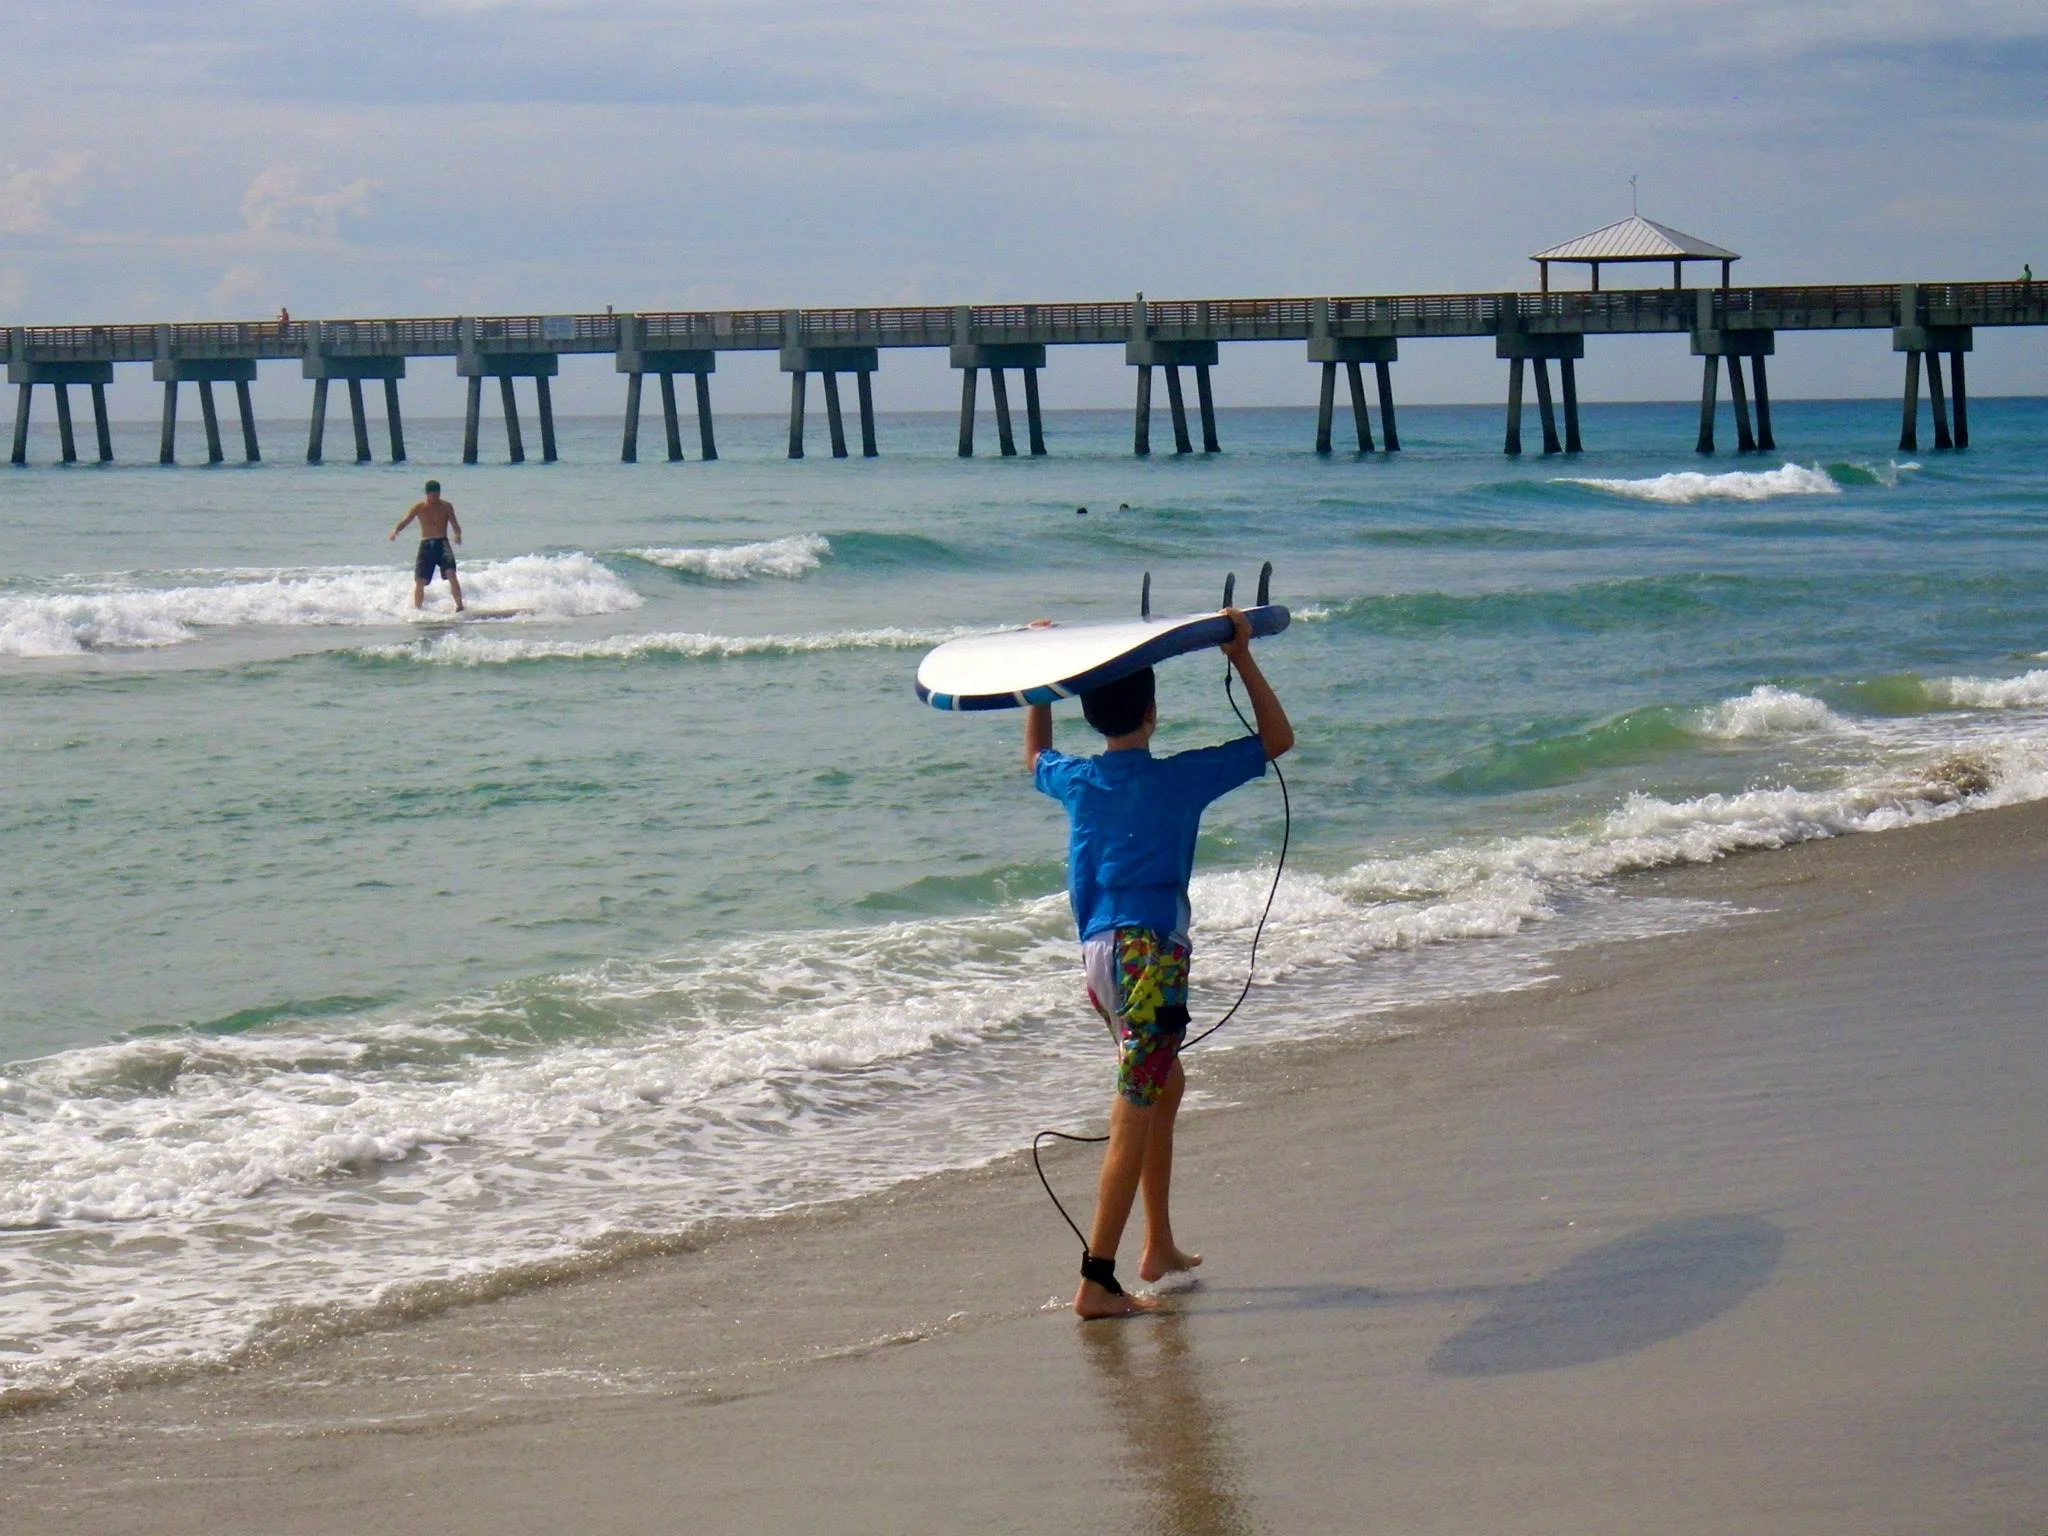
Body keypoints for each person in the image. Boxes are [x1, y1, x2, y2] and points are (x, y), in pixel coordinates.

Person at [1025, 608, 1293, 1318]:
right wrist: (1241, 657)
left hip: (1101, 961)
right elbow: (1277, 738)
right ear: (1153, 710)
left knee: (1164, 1085)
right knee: (1136, 1107)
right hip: (1149, 959)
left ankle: (1160, 1246)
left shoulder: (1076, 780)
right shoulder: (1179, 780)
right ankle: (1097, 1280)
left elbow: (1032, 761)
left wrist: (1039, 679)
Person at [389, 480, 464, 611]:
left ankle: (459, 606)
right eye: (433, 494)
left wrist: (457, 535)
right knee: (420, 580)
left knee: (451, 573)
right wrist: (396, 530)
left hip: (442, 543)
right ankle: (417, 609)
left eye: (438, 494)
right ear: (427, 494)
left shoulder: (446, 506)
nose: (436, 497)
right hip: (426, 545)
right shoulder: (420, 507)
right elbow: (406, 520)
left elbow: (455, 524)